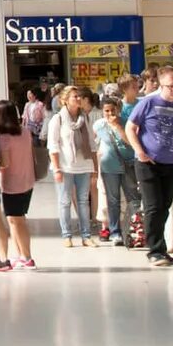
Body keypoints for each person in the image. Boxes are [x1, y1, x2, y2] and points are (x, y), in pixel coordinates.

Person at [127, 66, 173, 269]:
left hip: (170, 163)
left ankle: (161, 248)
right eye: (170, 86)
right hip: (148, 163)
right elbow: (131, 127)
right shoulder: (148, 103)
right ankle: (154, 250)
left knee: (164, 207)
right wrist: (140, 151)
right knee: (153, 206)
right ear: (161, 85)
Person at [0, 100, 37, 271]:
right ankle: (21, 255)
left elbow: (5, 163)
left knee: (17, 220)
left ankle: (28, 257)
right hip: (28, 180)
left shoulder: (4, 137)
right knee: (15, 219)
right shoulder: (25, 131)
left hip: (13, 184)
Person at [44, 85, 97, 247]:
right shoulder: (58, 119)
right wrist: (57, 168)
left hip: (84, 165)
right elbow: (53, 145)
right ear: (64, 100)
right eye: (75, 97)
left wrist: (95, 168)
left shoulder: (85, 118)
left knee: (83, 201)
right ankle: (66, 235)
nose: (78, 99)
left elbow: (92, 144)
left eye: (79, 96)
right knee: (65, 201)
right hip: (65, 166)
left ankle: (86, 235)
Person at [92, 95, 134, 244]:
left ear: (118, 110)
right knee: (113, 200)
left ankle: (134, 230)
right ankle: (115, 231)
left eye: (112, 111)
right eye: (106, 111)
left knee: (133, 199)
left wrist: (118, 127)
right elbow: (94, 142)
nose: (110, 114)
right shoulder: (98, 125)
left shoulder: (126, 122)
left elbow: (130, 142)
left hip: (128, 165)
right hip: (109, 166)